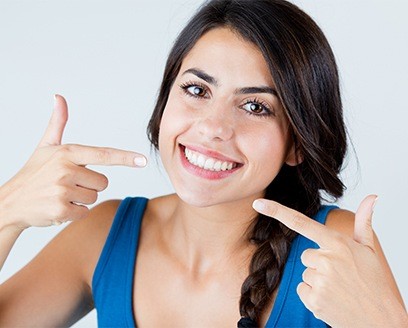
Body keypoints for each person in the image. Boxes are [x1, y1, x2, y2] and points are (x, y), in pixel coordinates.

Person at [0, 0, 407, 327]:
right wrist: (8, 211)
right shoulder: (104, 234)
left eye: (255, 106)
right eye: (196, 88)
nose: (213, 127)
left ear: (297, 143)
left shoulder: (334, 248)